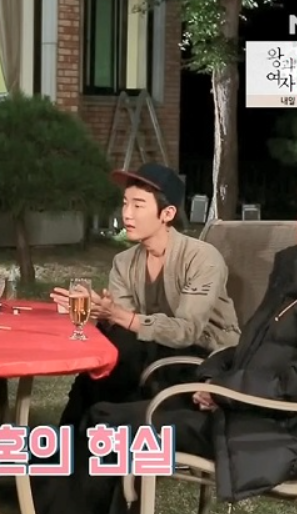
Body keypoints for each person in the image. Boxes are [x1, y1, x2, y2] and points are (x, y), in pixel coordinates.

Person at [33, 170, 297, 514]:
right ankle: (52, 488)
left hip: (267, 434)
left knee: (108, 425)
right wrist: (213, 381)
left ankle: (54, 496)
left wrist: (225, 392)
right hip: (240, 408)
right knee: (106, 402)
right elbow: (250, 349)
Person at [53, 163, 241, 428]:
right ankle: (83, 435)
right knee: (111, 354)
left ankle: (85, 435)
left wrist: (119, 316)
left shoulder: (201, 258)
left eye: (138, 205)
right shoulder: (124, 262)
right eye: (125, 203)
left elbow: (187, 331)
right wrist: (103, 311)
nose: (127, 214)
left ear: (167, 213)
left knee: (115, 361)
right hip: (147, 351)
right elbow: (125, 324)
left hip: (203, 357)